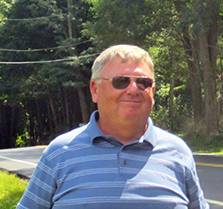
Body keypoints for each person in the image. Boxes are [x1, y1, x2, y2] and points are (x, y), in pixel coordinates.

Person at [17, 44, 209, 209]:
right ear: (95, 89)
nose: (133, 89)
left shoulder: (178, 153)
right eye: (121, 81)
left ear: (152, 91)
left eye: (143, 82)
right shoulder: (59, 153)